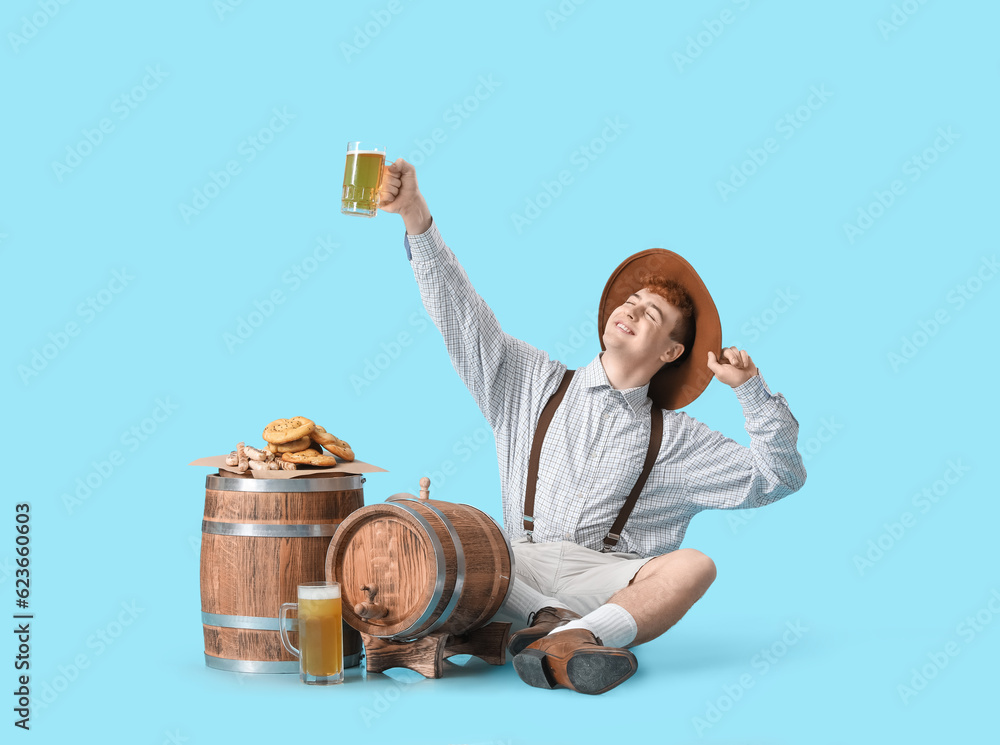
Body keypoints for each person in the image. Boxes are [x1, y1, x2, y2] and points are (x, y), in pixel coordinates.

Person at [378, 158, 807, 695]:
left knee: (695, 564)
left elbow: (779, 476)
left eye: (650, 314)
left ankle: (570, 635)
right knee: (437, 537)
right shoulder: (529, 379)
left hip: (608, 587)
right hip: (515, 573)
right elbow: (460, 315)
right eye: (630, 301)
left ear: (672, 352)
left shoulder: (678, 439)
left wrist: (749, 389)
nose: (631, 309)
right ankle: (571, 641)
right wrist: (415, 215)